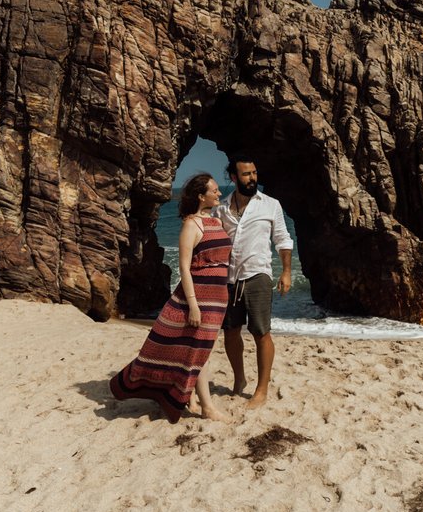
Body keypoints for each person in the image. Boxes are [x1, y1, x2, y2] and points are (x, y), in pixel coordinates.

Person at [110, 173, 230, 423]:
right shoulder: (191, 225)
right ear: (201, 196)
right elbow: (185, 268)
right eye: (215, 190)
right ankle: (207, 407)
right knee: (199, 351)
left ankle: (192, 398)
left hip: (218, 297)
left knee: (201, 350)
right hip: (200, 298)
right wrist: (193, 305)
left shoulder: (216, 221)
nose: (219, 193)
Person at [215, 156, 294, 409]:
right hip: (228, 277)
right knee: (230, 331)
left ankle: (261, 390)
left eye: (254, 173)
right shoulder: (221, 209)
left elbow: (283, 239)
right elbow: (211, 241)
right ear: (234, 177)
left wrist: (286, 272)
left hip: (258, 274)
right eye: (246, 174)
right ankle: (239, 379)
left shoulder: (270, 204)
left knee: (261, 332)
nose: (252, 178)